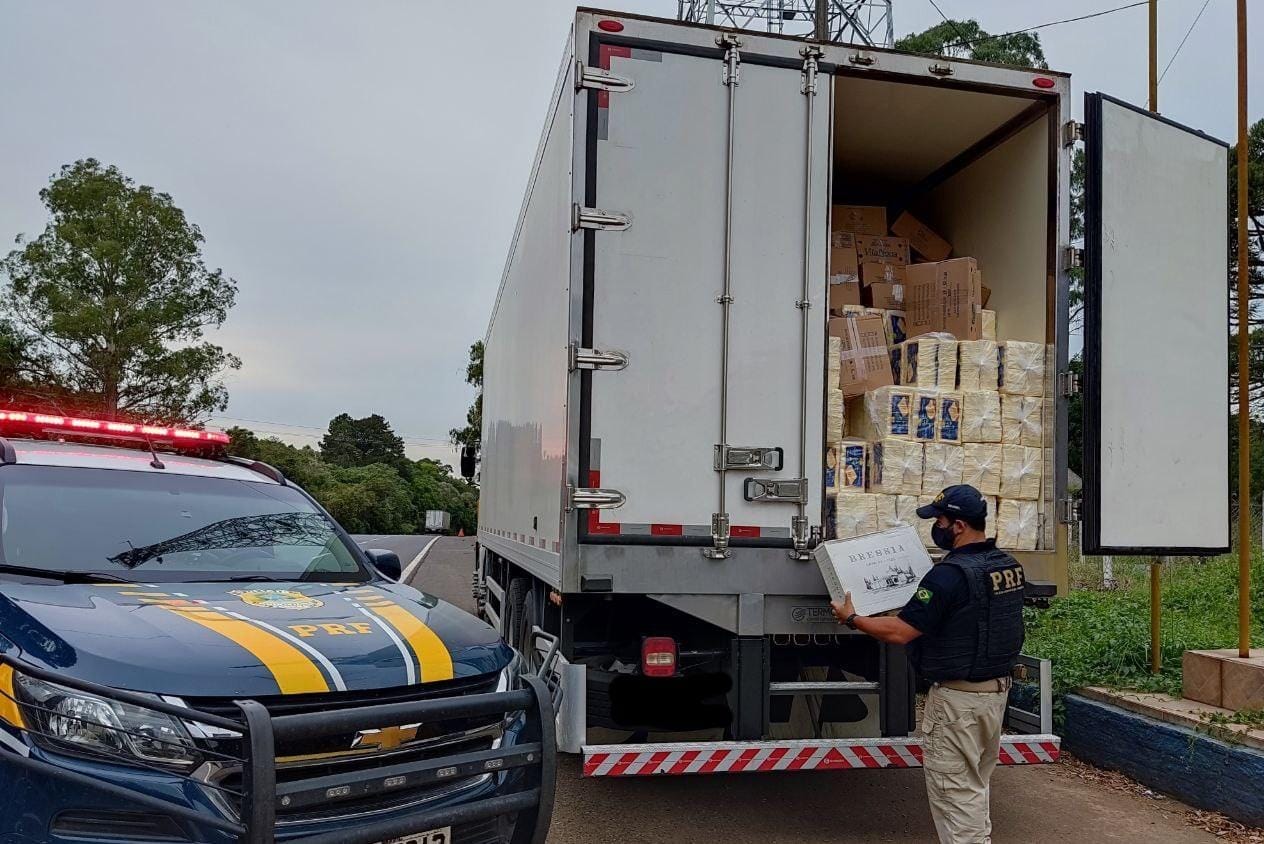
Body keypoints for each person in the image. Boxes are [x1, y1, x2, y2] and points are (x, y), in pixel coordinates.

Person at [831, 484, 1026, 844]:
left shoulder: (949, 575)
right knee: (973, 788)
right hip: (994, 697)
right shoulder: (1007, 567)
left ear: (959, 526)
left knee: (956, 797)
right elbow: (971, 618)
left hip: (958, 704)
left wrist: (852, 617)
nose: (935, 526)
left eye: (939, 520)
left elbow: (900, 633)